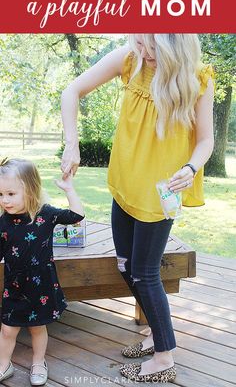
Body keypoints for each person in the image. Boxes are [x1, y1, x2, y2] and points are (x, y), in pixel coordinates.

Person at [60, 34, 214, 383]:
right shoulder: (129, 59)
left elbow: (206, 140)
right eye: (139, 43)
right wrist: (71, 144)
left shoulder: (199, 78)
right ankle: (157, 334)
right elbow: (70, 92)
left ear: (177, 48)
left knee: (145, 272)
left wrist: (191, 168)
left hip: (161, 194)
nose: (143, 53)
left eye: (152, 48)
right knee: (125, 265)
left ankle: (164, 358)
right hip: (125, 183)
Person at [0, 158, 84, 385]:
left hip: (41, 288)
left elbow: (77, 215)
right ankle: (3, 365)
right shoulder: (3, 223)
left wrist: (69, 189)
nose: (4, 201)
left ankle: (38, 363)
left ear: (30, 190)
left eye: (10, 194)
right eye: (1, 195)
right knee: (7, 330)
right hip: (14, 290)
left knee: (37, 329)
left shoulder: (45, 214)